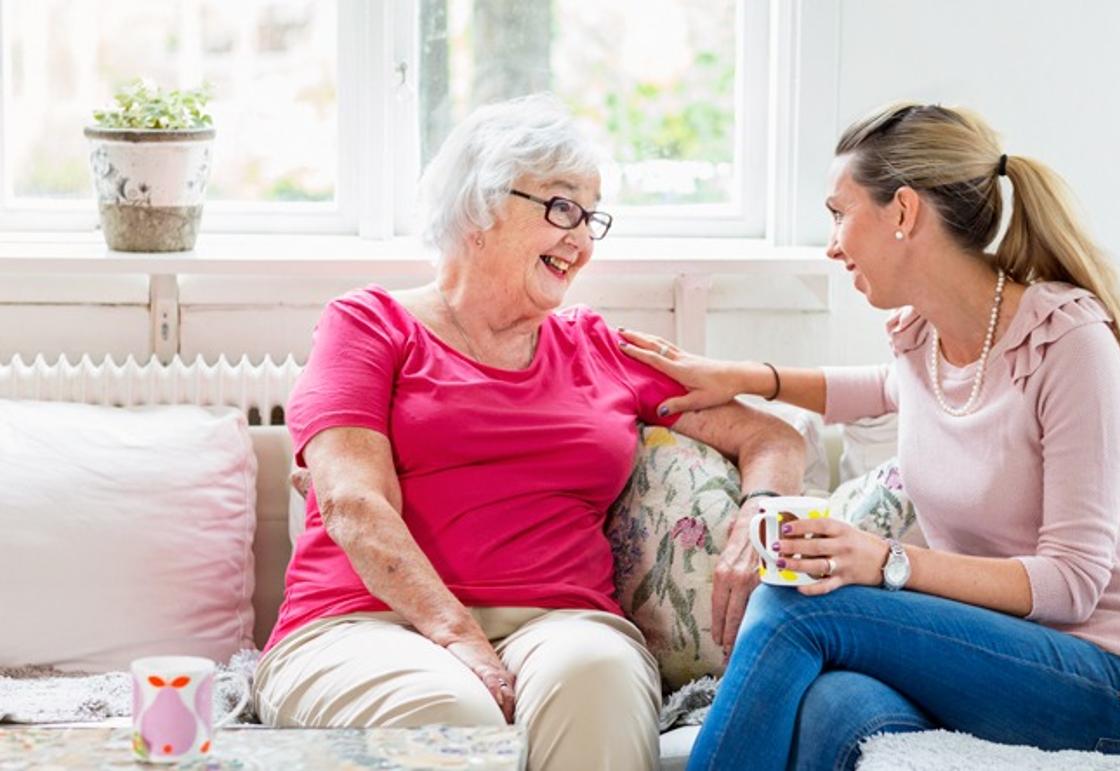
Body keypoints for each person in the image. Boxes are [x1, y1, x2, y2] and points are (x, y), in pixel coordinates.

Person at [252, 95, 805, 771]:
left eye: (592, 216)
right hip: (364, 622)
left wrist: (760, 512)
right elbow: (352, 503)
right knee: (452, 713)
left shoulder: (599, 348)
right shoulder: (369, 326)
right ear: (479, 208)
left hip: (562, 623)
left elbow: (773, 438)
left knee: (598, 678)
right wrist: (456, 633)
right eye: (562, 207)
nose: (583, 239)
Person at [619, 102, 1120, 770]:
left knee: (795, 601)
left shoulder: (1069, 345)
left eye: (839, 213)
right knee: (832, 705)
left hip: (1106, 680)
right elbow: (883, 389)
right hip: (990, 653)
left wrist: (887, 561)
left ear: (904, 211)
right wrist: (743, 376)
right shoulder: (926, 339)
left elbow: (1072, 583)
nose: (832, 244)